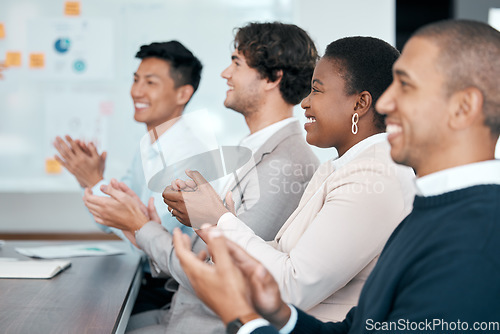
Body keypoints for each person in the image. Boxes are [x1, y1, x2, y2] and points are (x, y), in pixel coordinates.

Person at [173, 19, 500, 333]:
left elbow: (294, 283)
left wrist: (218, 226)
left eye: (407, 86)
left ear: (462, 108)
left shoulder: (473, 232)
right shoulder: (433, 204)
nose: (386, 102)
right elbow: (360, 327)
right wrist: (281, 315)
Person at [87, 22, 320, 333]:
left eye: (236, 62)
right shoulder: (250, 149)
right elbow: (204, 251)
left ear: (272, 78)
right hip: (180, 309)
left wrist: (141, 227)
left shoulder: (288, 163)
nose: (225, 73)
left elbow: (218, 273)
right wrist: (145, 228)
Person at [164, 36, 415, 323]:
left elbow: (292, 286)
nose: (305, 103)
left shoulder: (373, 177)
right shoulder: (342, 167)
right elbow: (283, 254)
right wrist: (216, 221)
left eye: (316, 91)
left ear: (360, 103)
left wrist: (218, 221)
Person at [54, 40, 207, 313]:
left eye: (150, 82)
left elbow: (146, 230)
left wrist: (93, 182)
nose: (136, 91)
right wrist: (88, 181)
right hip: (151, 279)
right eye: (136, 80)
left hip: (172, 291)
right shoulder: (149, 146)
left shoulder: (187, 154)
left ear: (183, 93)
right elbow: (110, 222)